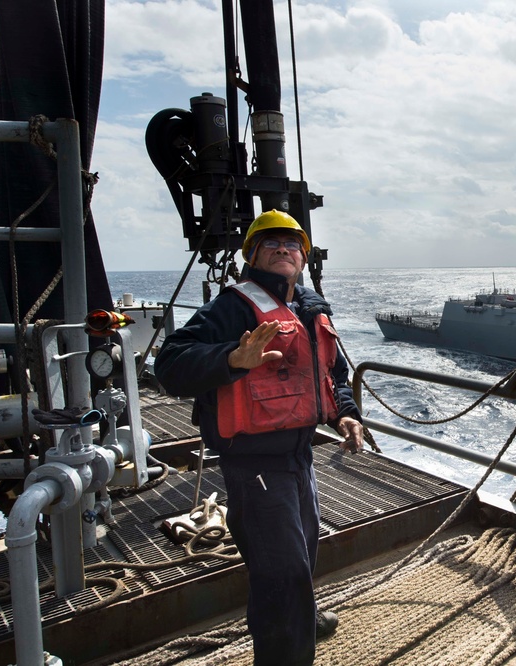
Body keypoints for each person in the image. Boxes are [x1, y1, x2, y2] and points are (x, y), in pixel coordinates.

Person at [155, 210, 363, 666]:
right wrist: (232, 357)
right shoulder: (231, 307)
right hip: (254, 466)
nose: (283, 249)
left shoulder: (310, 307)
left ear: (304, 257)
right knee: (283, 574)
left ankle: (298, 621)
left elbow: (331, 374)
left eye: (292, 243)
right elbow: (169, 364)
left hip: (298, 459)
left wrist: (345, 415)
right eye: (271, 243)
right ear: (251, 254)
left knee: (298, 561)